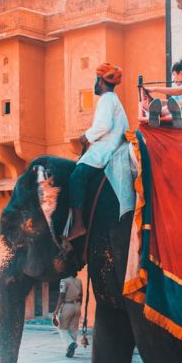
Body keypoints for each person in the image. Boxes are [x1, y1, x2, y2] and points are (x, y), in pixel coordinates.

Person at [67, 62, 129, 241]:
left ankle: (78, 225)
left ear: (100, 81)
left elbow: (103, 126)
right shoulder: (114, 101)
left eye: (95, 79)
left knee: (76, 177)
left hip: (105, 150)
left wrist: (86, 136)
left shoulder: (106, 99)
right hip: (111, 147)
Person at [145, 59, 182, 128]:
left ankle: (156, 115)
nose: (173, 80)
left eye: (174, 74)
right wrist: (153, 100)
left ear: (181, 73)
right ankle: (155, 115)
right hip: (179, 109)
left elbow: (178, 92)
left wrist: (154, 89)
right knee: (168, 107)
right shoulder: (179, 91)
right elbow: (171, 102)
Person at [53, 272, 83, 358]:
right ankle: (70, 351)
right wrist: (78, 306)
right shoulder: (79, 281)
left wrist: (56, 309)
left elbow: (62, 296)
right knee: (73, 329)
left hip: (67, 305)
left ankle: (71, 344)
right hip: (77, 306)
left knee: (62, 328)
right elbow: (82, 296)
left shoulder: (64, 281)